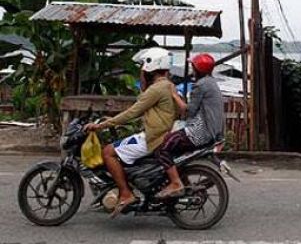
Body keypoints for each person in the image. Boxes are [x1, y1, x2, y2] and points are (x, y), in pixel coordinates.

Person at [85, 46, 178, 216]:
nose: (141, 69)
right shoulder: (166, 86)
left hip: (152, 138)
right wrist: (111, 121)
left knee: (108, 152)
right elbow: (145, 110)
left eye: (143, 66)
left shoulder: (156, 89)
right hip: (159, 133)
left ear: (151, 65)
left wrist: (101, 125)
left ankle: (126, 193)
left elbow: (133, 111)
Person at [155, 53, 224, 199]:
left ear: (198, 69)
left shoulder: (200, 85)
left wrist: (175, 95)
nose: (192, 70)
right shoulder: (211, 82)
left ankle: (176, 183)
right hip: (212, 131)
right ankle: (180, 179)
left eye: (193, 67)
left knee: (163, 147)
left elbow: (189, 111)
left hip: (199, 131)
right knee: (173, 148)